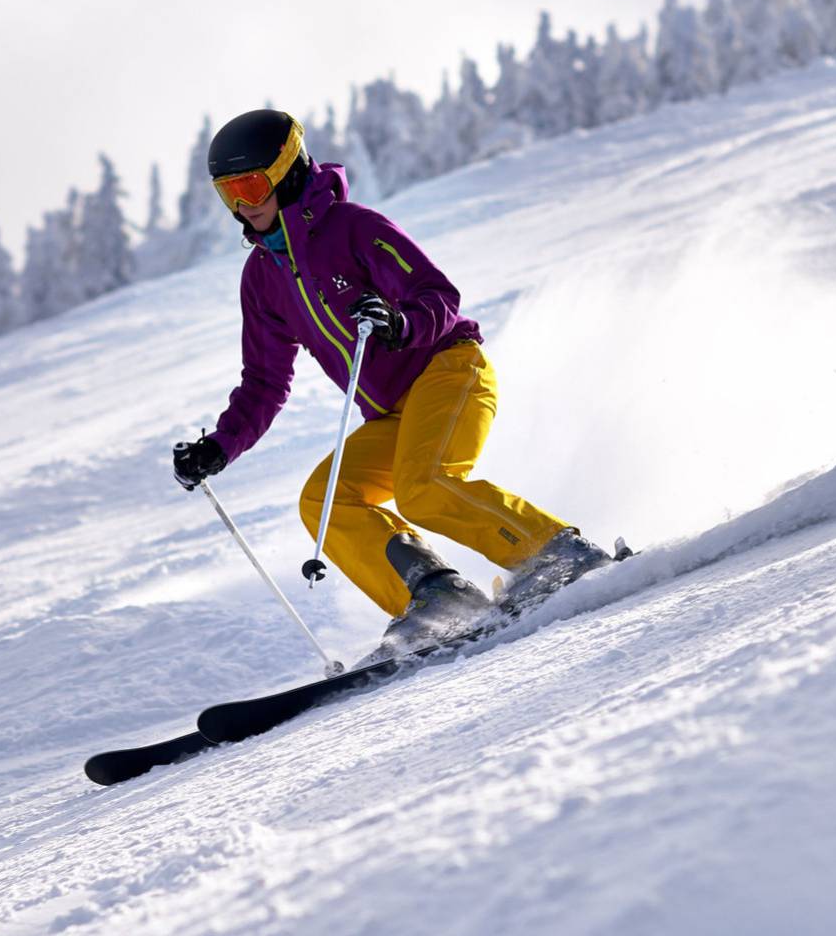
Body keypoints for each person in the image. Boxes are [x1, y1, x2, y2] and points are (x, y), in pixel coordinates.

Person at [171, 109, 619, 649]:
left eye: (250, 185)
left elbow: (439, 297)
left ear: (287, 171)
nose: (243, 205)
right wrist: (219, 447)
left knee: (423, 488)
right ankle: (439, 597)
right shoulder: (262, 279)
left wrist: (399, 323)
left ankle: (558, 555)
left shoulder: (353, 228)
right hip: (391, 414)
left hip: (449, 370)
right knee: (325, 499)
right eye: (228, 194)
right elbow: (265, 380)